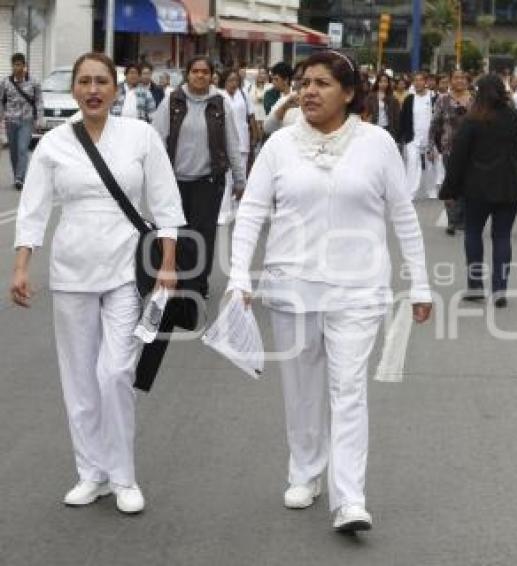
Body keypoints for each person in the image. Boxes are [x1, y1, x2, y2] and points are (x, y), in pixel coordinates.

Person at [227, 50, 432, 533]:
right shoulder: (279, 145)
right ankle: (304, 472)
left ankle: (350, 498)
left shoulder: (377, 143)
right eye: (304, 83)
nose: (309, 91)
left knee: (347, 390)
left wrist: (419, 281)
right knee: (301, 390)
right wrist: (239, 276)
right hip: (291, 287)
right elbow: (252, 211)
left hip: (358, 289)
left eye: (321, 83)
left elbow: (403, 215)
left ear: (349, 93)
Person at [10, 52, 185, 514]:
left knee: (115, 373)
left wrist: (168, 264)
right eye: (84, 81)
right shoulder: (54, 145)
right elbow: (34, 208)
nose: (93, 89)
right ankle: (91, 473)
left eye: (101, 81)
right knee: (80, 379)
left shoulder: (140, 136)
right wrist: (22, 265)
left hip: (126, 272)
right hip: (71, 272)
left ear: (115, 87)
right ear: (74, 90)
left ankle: (124, 476)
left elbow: (166, 204)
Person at [151, 55, 246, 299]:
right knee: (177, 233)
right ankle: (177, 278)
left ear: (212, 75)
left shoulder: (220, 102)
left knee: (203, 236)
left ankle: (198, 283)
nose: (200, 75)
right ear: (188, 74)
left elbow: (232, 142)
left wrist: (239, 178)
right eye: (195, 71)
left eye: (205, 71)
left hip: (208, 181)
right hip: (174, 181)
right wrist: (152, 175)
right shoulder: (172, 100)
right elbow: (156, 139)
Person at [439, 74, 517, 307]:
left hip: (477, 188)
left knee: (472, 233)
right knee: (502, 237)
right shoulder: (515, 117)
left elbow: (458, 157)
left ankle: (475, 286)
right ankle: (500, 290)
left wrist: (449, 189)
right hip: (510, 187)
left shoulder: (473, 119)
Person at [431, 69, 473, 235]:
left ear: (467, 81)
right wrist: (431, 147)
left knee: (468, 183)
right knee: (451, 183)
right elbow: (435, 124)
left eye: (463, 77)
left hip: (471, 148)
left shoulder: (474, 100)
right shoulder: (443, 100)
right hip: (449, 147)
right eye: (456, 77)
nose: (460, 80)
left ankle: (463, 219)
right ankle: (452, 221)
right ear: (450, 81)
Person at [0, 52, 43, 191]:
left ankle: (20, 178)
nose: (16, 67)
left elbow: (39, 101)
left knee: (22, 149)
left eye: (19, 64)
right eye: (14, 64)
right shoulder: (5, 82)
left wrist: (39, 119)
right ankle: (17, 176)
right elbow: (1, 101)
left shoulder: (34, 82)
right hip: (10, 120)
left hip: (26, 120)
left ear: (24, 66)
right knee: (13, 151)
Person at [218, 68, 255, 224]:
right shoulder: (219, 95)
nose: (233, 83)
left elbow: (251, 115)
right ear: (224, 82)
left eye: (236, 80)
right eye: (230, 80)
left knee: (241, 177)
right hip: (225, 142)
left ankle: (238, 208)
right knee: (227, 177)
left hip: (243, 139)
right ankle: (224, 210)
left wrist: (254, 134)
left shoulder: (244, 94)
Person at [399, 71, 438, 199]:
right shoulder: (409, 99)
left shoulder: (433, 98)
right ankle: (411, 193)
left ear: (425, 82)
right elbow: (403, 119)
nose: (418, 83)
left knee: (430, 165)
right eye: (415, 80)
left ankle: (432, 191)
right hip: (413, 138)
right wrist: (401, 137)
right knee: (412, 163)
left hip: (430, 138)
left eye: (420, 80)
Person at [365, 72, 401, 141]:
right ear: (377, 83)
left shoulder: (392, 98)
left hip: (387, 128)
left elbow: (396, 117)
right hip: (374, 127)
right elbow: (366, 113)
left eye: (385, 81)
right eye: (381, 81)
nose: (383, 84)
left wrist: (396, 132)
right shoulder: (371, 96)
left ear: (388, 83)